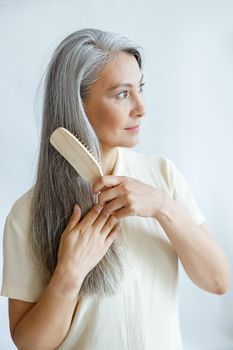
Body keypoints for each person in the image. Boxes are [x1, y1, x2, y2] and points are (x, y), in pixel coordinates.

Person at [1, 28, 230, 350]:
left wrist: (163, 207)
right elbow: (30, 344)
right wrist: (69, 273)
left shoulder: (162, 175)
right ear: (76, 105)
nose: (141, 107)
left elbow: (218, 281)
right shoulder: (28, 213)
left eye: (140, 88)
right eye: (122, 94)